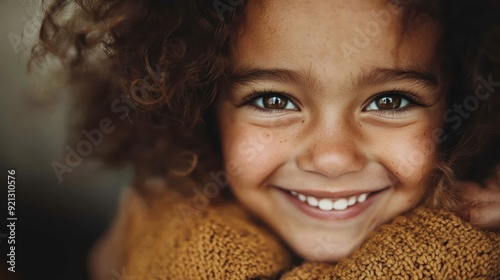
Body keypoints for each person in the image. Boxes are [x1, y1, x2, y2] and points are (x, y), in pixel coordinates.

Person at [31, 0, 500, 278]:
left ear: (461, 108)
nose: (333, 158)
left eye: (391, 101)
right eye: (274, 102)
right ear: (199, 111)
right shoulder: (154, 228)